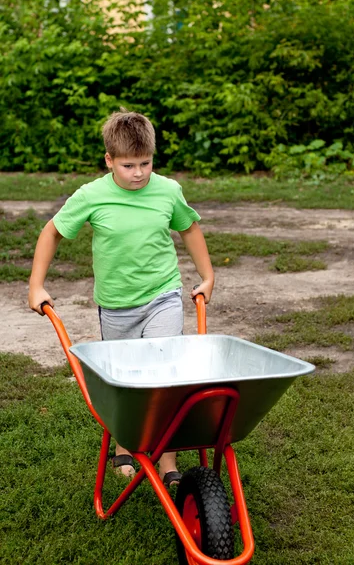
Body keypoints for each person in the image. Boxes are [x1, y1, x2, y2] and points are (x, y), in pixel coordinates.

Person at [28, 108, 214, 486]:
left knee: (164, 375)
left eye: (145, 163)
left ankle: (166, 457)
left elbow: (189, 229)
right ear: (109, 160)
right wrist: (36, 284)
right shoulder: (92, 195)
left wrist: (208, 276)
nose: (139, 173)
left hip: (162, 295)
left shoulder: (167, 190)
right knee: (126, 379)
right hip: (115, 305)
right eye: (128, 165)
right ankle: (124, 445)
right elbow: (52, 232)